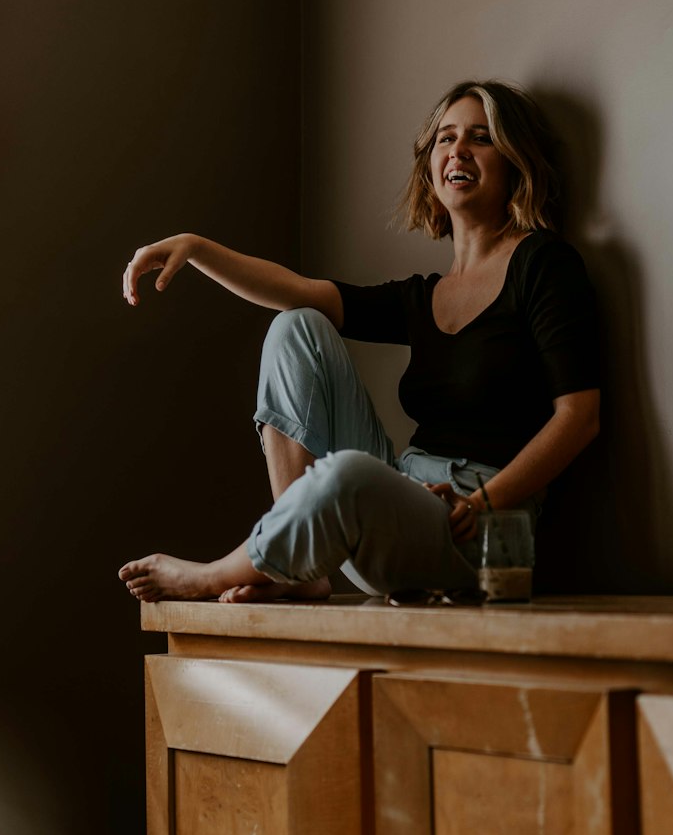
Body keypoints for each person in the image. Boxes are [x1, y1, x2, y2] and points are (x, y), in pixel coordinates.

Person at [119, 80, 600, 603]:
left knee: (347, 475)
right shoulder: (424, 297)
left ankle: (217, 573)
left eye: (480, 138)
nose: (457, 150)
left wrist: (484, 501)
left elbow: (579, 417)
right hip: (402, 495)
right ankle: (300, 569)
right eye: (445, 138)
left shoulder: (544, 264)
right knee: (296, 325)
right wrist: (196, 248)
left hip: (482, 532)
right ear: (431, 165)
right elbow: (297, 291)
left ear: (514, 161)